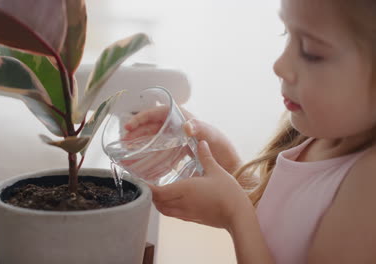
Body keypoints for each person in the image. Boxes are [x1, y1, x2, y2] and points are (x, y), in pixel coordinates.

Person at [124, 0, 376, 263]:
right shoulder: (321, 136)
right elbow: (286, 226)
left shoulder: (369, 184)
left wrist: (235, 214)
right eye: (287, 34)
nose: (279, 66)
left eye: (311, 52)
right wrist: (226, 162)